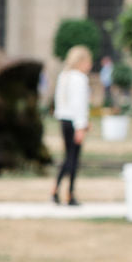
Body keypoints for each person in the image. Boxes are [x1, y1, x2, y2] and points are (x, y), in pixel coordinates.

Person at [53, 45, 92, 206]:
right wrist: (81, 126)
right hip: (75, 122)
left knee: (68, 157)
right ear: (81, 61)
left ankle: (55, 189)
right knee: (73, 159)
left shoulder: (64, 76)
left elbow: (58, 101)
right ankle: (70, 194)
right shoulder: (79, 78)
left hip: (64, 120)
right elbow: (79, 104)